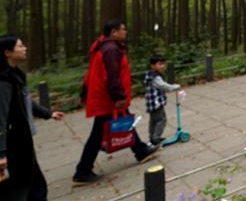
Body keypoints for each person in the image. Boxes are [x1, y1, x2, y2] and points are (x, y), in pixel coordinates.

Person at [73, 20, 158, 185]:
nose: (125, 32)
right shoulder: (111, 50)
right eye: (123, 29)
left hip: (108, 97)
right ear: (113, 32)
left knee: (125, 122)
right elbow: (112, 76)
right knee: (98, 133)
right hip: (108, 99)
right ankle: (82, 170)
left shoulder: (106, 47)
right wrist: (119, 97)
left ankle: (141, 151)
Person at [0, 35, 64, 201]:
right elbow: (1, 118)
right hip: (13, 145)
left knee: (36, 186)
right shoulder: (3, 81)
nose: (25, 48)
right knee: (20, 189)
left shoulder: (16, 75)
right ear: (7, 52)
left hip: (23, 141)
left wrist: (48, 114)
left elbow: (26, 101)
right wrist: (1, 153)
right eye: (20, 46)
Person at [143, 55, 181, 146]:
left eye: (163, 64)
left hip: (151, 103)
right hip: (156, 103)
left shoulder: (150, 74)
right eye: (160, 64)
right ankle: (155, 138)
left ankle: (152, 138)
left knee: (153, 121)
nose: (163, 66)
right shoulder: (155, 76)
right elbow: (162, 85)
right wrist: (174, 87)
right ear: (152, 66)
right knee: (161, 120)